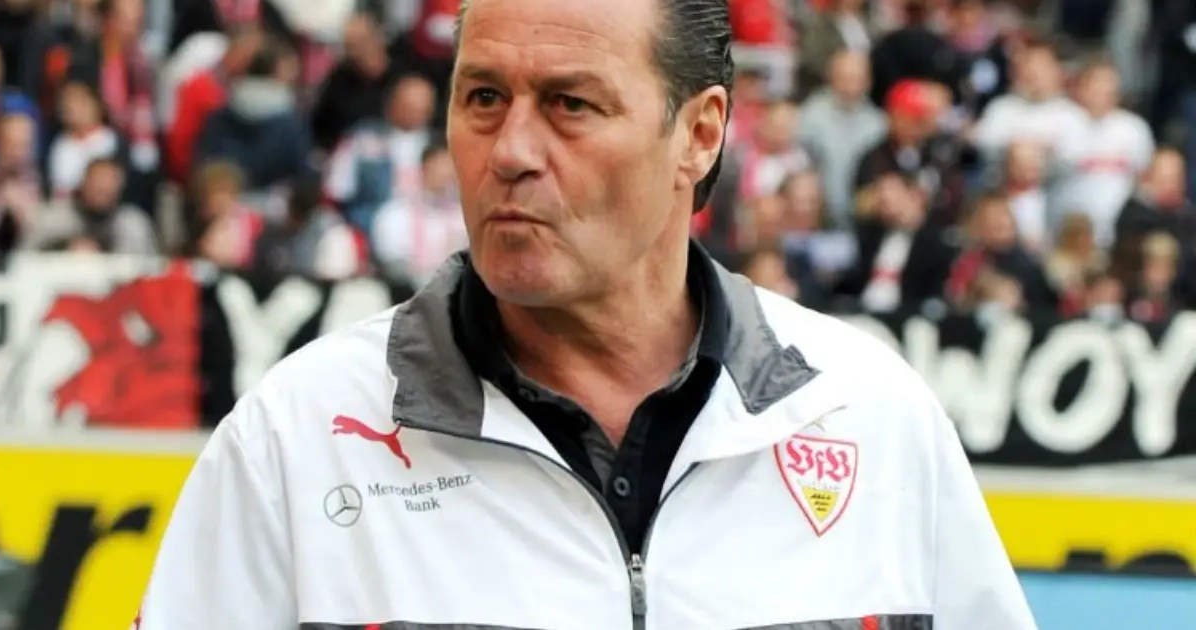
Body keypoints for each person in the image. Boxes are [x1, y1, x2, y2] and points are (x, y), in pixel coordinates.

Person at [135, 0, 1037, 628]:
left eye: (570, 104)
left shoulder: (871, 418)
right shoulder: (295, 438)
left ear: (700, 135)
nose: (511, 151)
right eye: (483, 98)